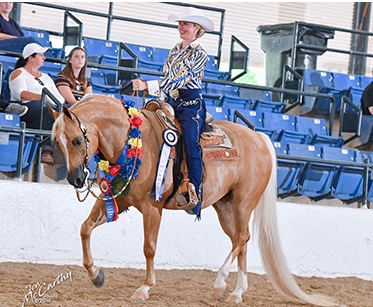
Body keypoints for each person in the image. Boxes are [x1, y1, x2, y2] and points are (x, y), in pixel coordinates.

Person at [131, 7, 214, 217]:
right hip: (169, 101)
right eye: (180, 23)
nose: (181, 27)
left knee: (190, 142)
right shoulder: (174, 50)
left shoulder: (201, 54)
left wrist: (149, 85)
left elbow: (181, 79)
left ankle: (194, 191)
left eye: (185, 24)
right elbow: (169, 77)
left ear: (196, 28)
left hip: (190, 104)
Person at [9, 42, 65, 164]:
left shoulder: (45, 77)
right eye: (40, 55)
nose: (44, 58)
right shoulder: (19, 73)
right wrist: (42, 97)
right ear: (31, 58)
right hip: (26, 109)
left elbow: (60, 98)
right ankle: (46, 151)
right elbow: (20, 94)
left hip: (46, 107)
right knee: (47, 110)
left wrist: (49, 101)